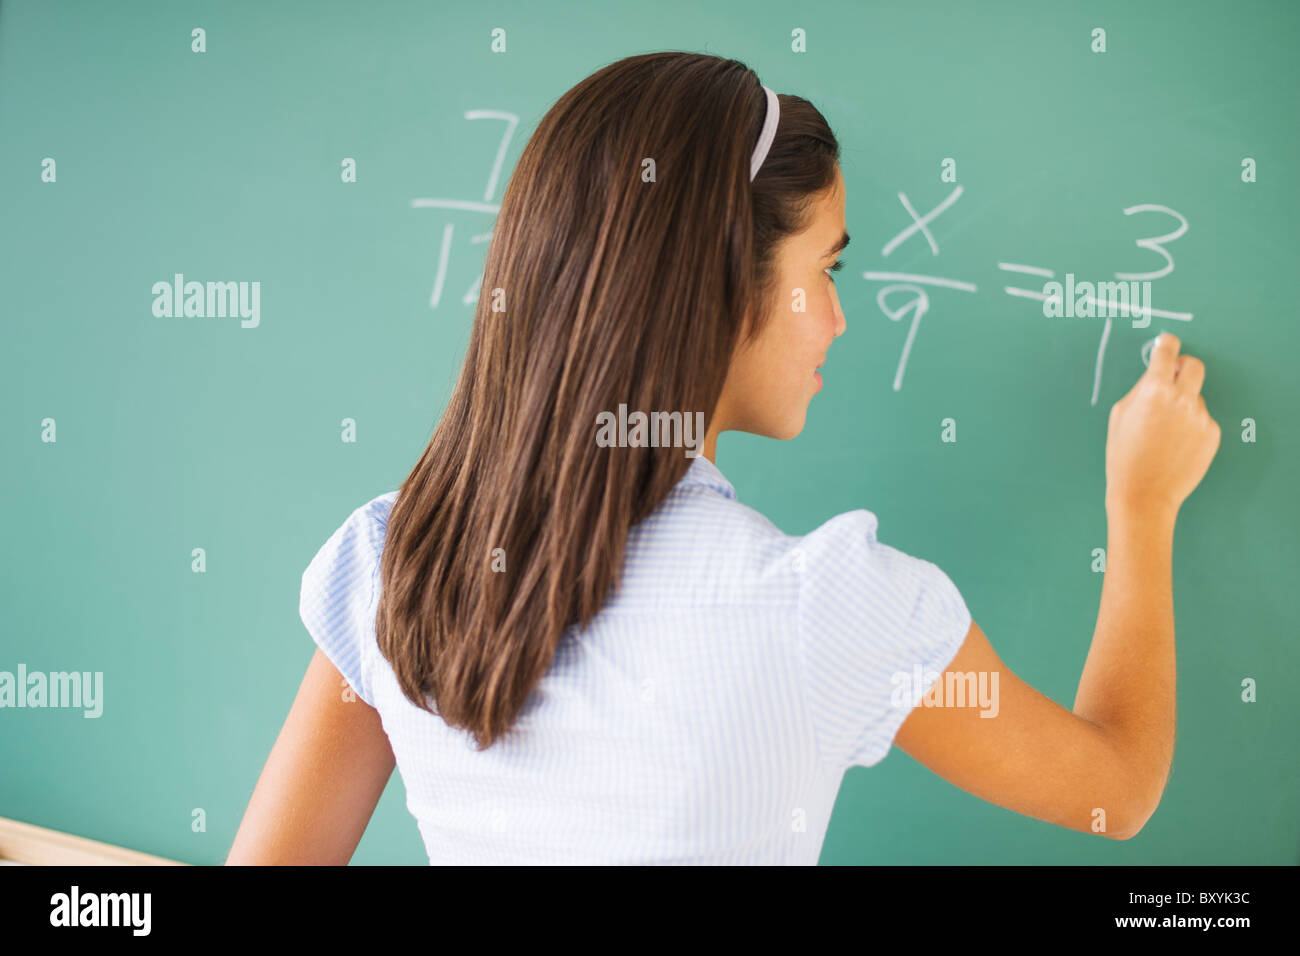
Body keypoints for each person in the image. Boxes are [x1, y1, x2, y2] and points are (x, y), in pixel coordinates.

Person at [227, 52, 1220, 864]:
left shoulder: (394, 560)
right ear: (718, 287)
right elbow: (1116, 788)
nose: (836, 316)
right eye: (824, 268)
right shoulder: (823, 602)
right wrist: (1141, 506)